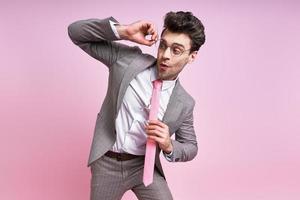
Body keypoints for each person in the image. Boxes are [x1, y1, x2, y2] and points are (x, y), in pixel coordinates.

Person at [68, 11, 205, 200]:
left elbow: (191, 146)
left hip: (144, 167)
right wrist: (123, 31)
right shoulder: (127, 61)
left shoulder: (185, 103)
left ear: (192, 56)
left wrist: (168, 145)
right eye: (163, 45)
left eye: (176, 50)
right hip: (107, 163)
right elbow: (75, 32)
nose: (165, 55)